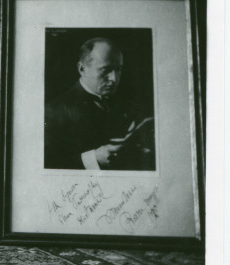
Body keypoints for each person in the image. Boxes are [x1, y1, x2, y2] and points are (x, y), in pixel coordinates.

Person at [44, 38, 154, 170]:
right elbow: (44, 167)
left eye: (118, 69)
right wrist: (93, 159)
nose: (114, 78)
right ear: (82, 69)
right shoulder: (53, 112)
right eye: (105, 70)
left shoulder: (129, 105)